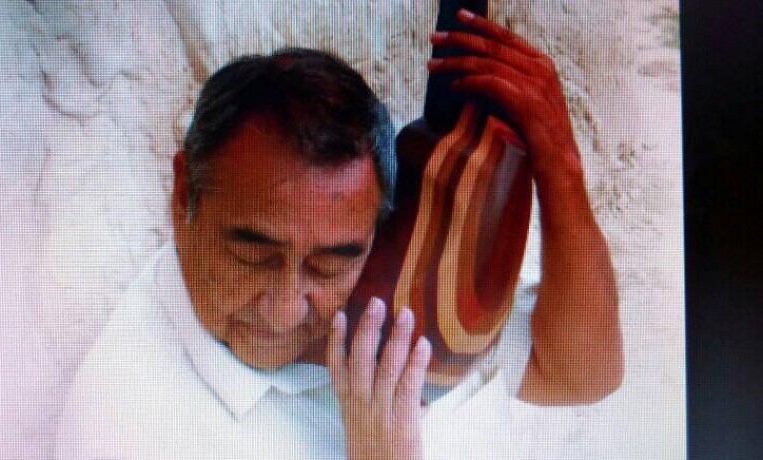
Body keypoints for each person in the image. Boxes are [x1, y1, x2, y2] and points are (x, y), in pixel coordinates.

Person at [56, 9, 622, 460]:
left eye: (328, 263)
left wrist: (559, 162)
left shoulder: (381, 274)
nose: (285, 311)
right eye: (252, 255)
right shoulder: (122, 418)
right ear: (184, 195)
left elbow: (579, 376)